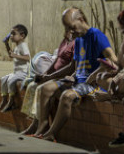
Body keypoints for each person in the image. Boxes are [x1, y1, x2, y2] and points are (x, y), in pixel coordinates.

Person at [34, 8, 118, 140]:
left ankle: (51, 134)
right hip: (77, 80)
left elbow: (113, 59)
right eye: (68, 28)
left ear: (81, 19)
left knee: (67, 96)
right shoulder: (78, 40)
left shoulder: (96, 35)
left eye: (72, 27)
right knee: (45, 88)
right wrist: (50, 76)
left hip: (91, 83)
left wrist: (98, 73)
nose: (71, 31)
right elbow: (72, 66)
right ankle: (42, 127)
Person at [19, 24, 77, 135]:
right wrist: (46, 73)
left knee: (41, 89)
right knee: (32, 86)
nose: (67, 32)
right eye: (66, 29)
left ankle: (42, 124)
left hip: (62, 76)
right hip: (54, 74)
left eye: (69, 30)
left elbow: (71, 66)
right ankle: (35, 123)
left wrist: (51, 76)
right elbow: (57, 59)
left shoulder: (77, 44)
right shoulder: (65, 41)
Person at [0, 24, 30, 112]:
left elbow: (28, 58)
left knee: (11, 80)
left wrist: (15, 55)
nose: (11, 36)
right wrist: (6, 44)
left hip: (24, 73)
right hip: (17, 72)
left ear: (22, 36)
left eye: (13, 34)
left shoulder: (23, 45)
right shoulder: (17, 46)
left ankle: (12, 101)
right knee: (3, 79)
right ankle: (4, 99)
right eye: (11, 34)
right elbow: (11, 55)